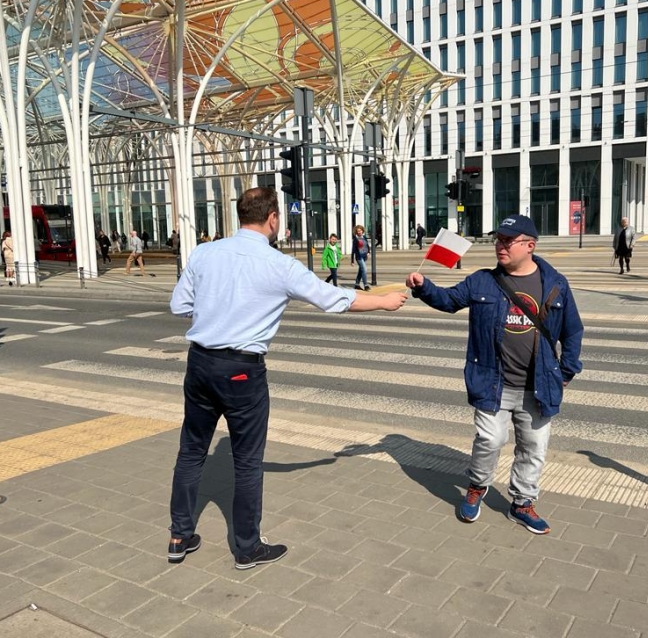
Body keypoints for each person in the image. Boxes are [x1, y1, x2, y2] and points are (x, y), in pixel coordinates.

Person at [168, 187, 407, 569]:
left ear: (241, 215)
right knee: (247, 462)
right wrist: (384, 301)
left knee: (191, 451)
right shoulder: (280, 265)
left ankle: (179, 536)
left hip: (199, 363)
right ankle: (247, 548)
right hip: (243, 371)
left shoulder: (204, 253)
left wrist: (217, 308)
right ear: (273, 218)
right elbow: (331, 298)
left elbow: (179, 305)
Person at [405, 214, 583, 535]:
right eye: (498, 240)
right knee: (490, 439)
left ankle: (522, 503)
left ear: (530, 246)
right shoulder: (482, 281)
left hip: (538, 385)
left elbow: (572, 331)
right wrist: (424, 287)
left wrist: (567, 370)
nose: (500, 246)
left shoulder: (556, 283)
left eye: (508, 241)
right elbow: (449, 300)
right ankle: (478, 485)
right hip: (492, 381)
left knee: (533, 447)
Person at [351, 224, 371, 291]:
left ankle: (357, 284)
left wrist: (368, 252)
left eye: (360, 230)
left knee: (361, 270)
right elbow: (353, 250)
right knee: (364, 269)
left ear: (362, 231)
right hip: (359, 257)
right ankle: (366, 285)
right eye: (358, 231)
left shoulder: (364, 237)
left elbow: (367, 245)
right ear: (356, 232)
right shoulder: (355, 239)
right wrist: (352, 261)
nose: (359, 232)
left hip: (364, 256)